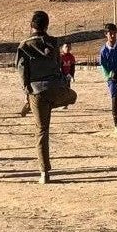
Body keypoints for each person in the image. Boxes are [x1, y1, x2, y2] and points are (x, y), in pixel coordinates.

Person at [16, 11, 76, 184]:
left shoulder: (24, 46)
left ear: (31, 26)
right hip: (56, 89)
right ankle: (42, 103)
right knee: (72, 97)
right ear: (47, 25)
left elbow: (22, 71)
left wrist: (27, 90)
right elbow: (58, 65)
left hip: (36, 91)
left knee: (42, 131)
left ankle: (44, 173)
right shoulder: (54, 42)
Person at [60, 42, 76, 109]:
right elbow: (59, 67)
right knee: (60, 89)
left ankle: (66, 104)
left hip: (68, 76)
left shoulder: (71, 57)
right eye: (66, 46)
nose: (68, 48)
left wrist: (72, 76)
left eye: (69, 47)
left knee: (67, 89)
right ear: (62, 48)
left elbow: (72, 67)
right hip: (60, 75)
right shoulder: (60, 56)